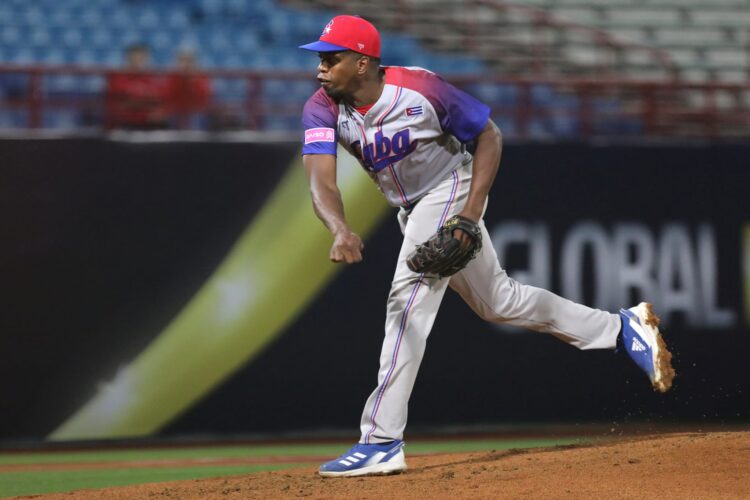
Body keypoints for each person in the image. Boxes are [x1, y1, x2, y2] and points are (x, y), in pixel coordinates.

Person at [299, 15, 675, 478]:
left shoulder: (420, 90)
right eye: (319, 58)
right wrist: (339, 228)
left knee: (408, 298)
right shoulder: (322, 107)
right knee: (500, 302)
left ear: (362, 63)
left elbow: (488, 135)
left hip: (450, 188)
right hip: (411, 209)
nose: (320, 68)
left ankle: (380, 439)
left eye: (330, 58)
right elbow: (321, 181)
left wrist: (468, 217)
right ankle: (623, 329)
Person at [105, 44, 168, 130]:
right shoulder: (117, 78)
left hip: (150, 124)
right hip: (124, 123)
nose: (138, 62)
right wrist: (144, 103)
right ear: (127, 59)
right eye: (134, 59)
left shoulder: (155, 79)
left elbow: (160, 101)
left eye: (142, 59)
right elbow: (118, 102)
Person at [165, 49, 211, 129]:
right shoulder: (172, 76)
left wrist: (192, 81)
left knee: (198, 117)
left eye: (190, 60)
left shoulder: (201, 76)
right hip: (176, 111)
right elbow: (168, 95)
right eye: (182, 60)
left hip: (196, 112)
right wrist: (183, 79)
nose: (186, 64)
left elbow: (204, 96)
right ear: (177, 62)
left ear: (195, 62)